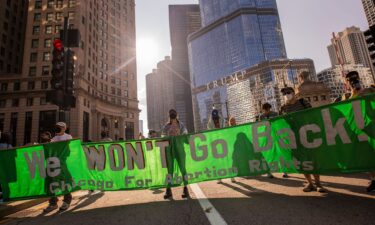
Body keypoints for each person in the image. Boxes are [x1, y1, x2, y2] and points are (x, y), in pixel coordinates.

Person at [279, 87, 326, 193]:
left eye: (288, 92)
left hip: (308, 135)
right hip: (294, 137)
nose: (286, 94)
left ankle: (318, 184)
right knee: (302, 161)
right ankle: (310, 183)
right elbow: (281, 123)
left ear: (293, 93)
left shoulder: (303, 102)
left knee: (312, 159)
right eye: (284, 93)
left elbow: (312, 114)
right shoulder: (283, 108)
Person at [342, 71, 375, 192]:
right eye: (350, 80)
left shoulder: (370, 90)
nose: (353, 82)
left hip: (373, 126)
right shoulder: (346, 96)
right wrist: (354, 95)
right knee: (367, 156)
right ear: (347, 83)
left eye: (355, 79)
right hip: (361, 131)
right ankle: (373, 178)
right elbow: (345, 110)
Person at [44, 122, 73, 212]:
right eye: (56, 127)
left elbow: (68, 149)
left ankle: (67, 201)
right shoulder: (53, 139)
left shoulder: (68, 137)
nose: (57, 129)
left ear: (64, 128)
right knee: (51, 182)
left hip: (62, 163)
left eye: (59, 127)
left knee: (64, 181)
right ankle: (53, 203)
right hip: (53, 163)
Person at [161, 109, 189, 199]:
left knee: (183, 168)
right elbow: (163, 135)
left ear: (177, 115)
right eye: (171, 114)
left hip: (179, 148)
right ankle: (168, 190)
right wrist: (167, 136)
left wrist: (181, 134)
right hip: (169, 148)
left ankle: (185, 188)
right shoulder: (166, 126)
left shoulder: (181, 125)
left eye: (174, 114)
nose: (172, 115)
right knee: (169, 169)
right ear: (169, 115)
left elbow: (185, 132)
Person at [257, 103, 279, 179]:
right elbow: (259, 127)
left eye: (268, 108)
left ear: (270, 108)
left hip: (275, 135)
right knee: (267, 154)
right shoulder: (261, 116)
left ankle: (284, 170)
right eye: (265, 109)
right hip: (266, 137)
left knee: (278, 152)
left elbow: (278, 123)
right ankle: (269, 172)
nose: (266, 110)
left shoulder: (275, 114)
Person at [207, 109, 228, 184]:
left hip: (223, 142)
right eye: (214, 118)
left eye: (216, 117)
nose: (216, 119)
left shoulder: (222, 120)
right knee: (217, 160)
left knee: (226, 159)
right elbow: (209, 133)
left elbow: (225, 129)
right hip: (215, 143)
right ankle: (219, 177)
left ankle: (232, 176)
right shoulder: (209, 123)